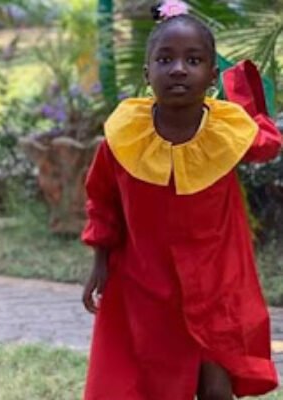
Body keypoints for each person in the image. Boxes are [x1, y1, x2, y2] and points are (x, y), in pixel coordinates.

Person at [80, 2, 281, 398]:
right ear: (147, 72)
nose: (178, 69)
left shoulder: (225, 131)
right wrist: (100, 262)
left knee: (216, 387)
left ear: (210, 75)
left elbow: (267, 145)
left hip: (218, 282)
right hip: (146, 284)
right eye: (165, 58)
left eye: (193, 60)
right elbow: (102, 199)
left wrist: (242, 93)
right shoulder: (124, 137)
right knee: (155, 381)